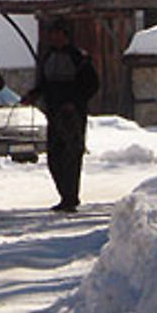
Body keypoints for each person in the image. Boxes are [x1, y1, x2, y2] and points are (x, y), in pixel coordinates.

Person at [24, 17, 100, 213]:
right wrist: (33, 95)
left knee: (71, 156)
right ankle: (64, 195)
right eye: (52, 34)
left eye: (58, 34)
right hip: (53, 113)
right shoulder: (47, 57)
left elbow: (92, 85)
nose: (54, 38)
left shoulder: (79, 58)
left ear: (66, 36)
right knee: (54, 158)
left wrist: (74, 104)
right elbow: (44, 84)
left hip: (72, 115)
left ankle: (70, 198)